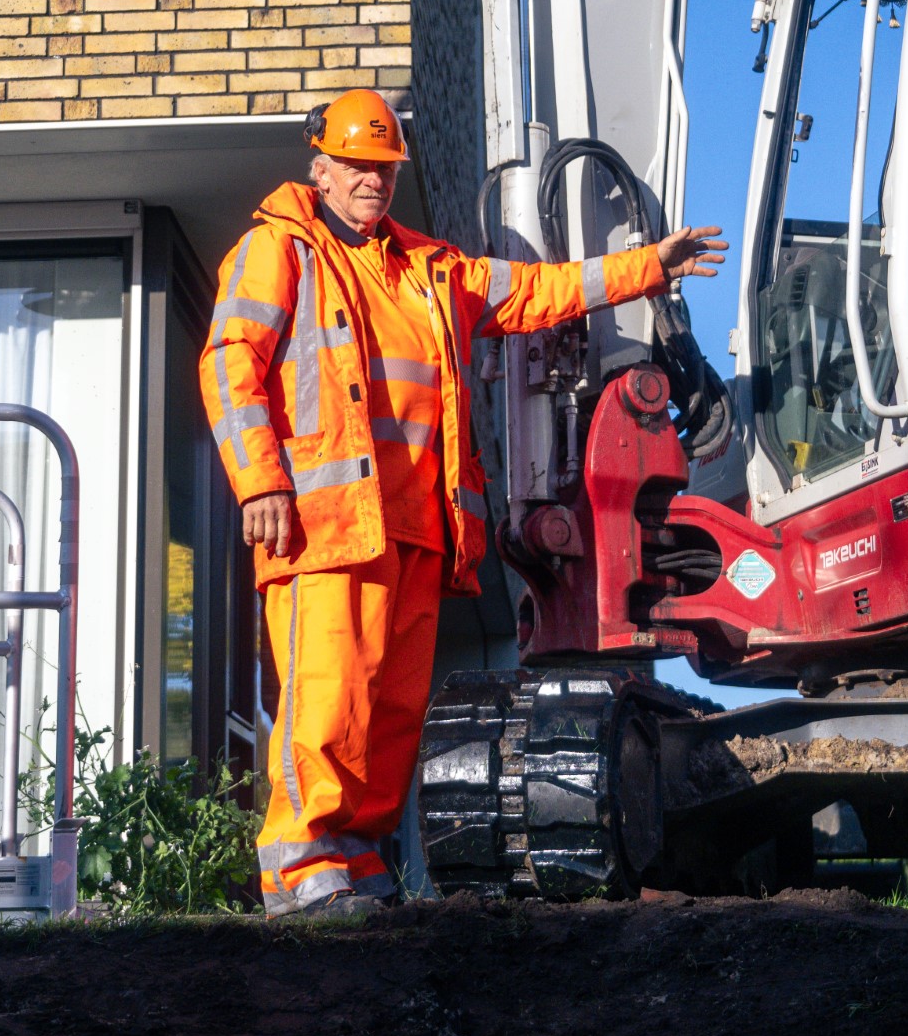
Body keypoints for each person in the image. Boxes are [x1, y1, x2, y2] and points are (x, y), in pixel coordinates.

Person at [200, 89, 726, 918]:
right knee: (329, 699)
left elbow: (537, 291)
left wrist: (647, 267)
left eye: (384, 169)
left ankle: (359, 864)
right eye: (359, 167)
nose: (374, 181)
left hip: (411, 530)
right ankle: (300, 872)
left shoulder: (429, 269)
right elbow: (230, 363)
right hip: (322, 527)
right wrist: (260, 479)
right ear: (322, 167)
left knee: (392, 711)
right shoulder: (280, 251)